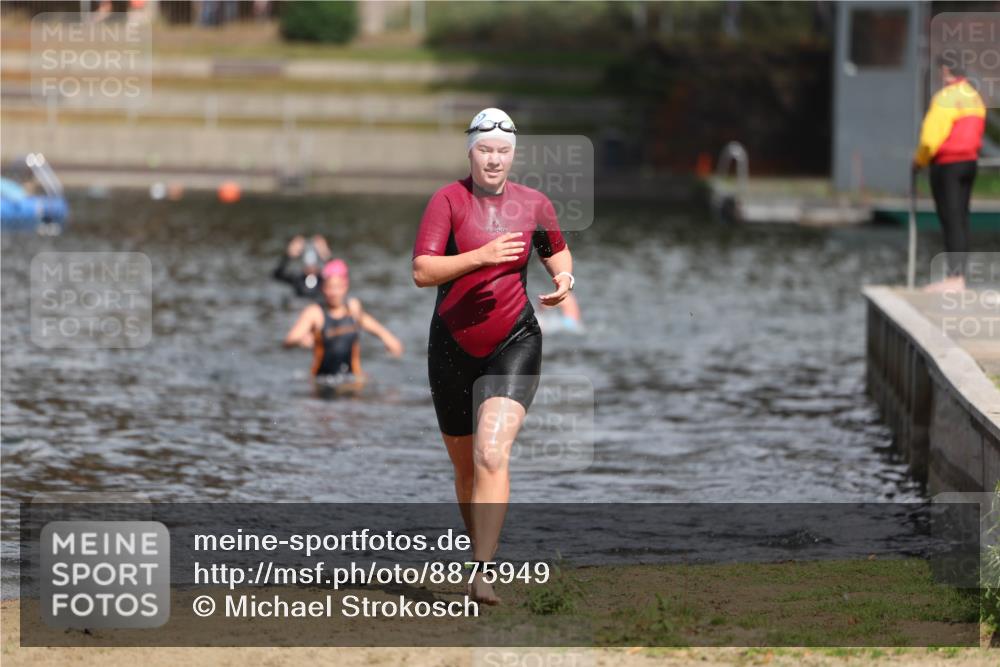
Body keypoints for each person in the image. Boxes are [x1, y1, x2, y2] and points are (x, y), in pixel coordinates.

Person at [412, 108, 575, 604]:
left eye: (503, 151)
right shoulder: (448, 201)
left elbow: (557, 252)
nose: (494, 160)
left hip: (514, 342)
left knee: (490, 452)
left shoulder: (534, 204)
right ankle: (478, 550)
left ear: (513, 154)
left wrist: (564, 279)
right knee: (466, 470)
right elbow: (422, 271)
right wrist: (480, 258)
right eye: (485, 150)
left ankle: (482, 570)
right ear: (471, 151)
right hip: (451, 346)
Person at [912, 58, 986, 292]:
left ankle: (954, 279)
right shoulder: (974, 97)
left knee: (950, 219)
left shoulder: (945, 98)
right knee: (962, 219)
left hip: (947, 166)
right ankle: (959, 276)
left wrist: (918, 161)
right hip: (969, 164)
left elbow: (929, 139)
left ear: (946, 71)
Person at [284, 259, 403, 395]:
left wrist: (389, 340)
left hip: (353, 381)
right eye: (329, 287)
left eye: (338, 287)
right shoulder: (315, 313)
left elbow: (377, 329)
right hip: (322, 383)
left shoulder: (353, 309)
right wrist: (301, 339)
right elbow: (289, 340)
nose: (333, 293)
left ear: (346, 286)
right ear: (323, 288)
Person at [273, 234, 332, 300]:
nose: (311, 268)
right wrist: (288, 256)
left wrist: (327, 256)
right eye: (308, 266)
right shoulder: (297, 278)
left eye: (313, 265)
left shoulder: (324, 279)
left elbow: (337, 276)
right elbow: (277, 275)